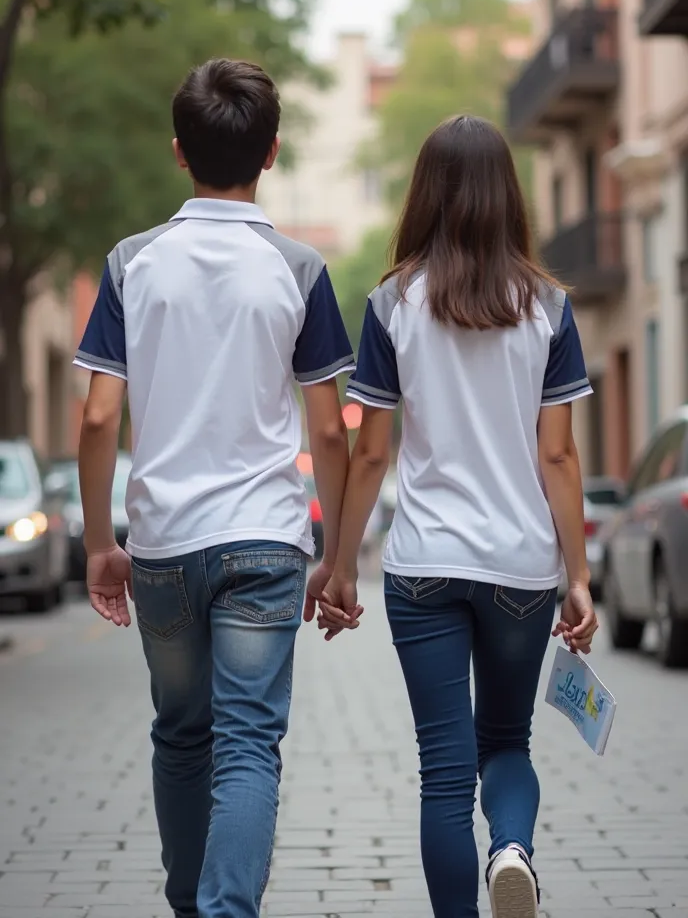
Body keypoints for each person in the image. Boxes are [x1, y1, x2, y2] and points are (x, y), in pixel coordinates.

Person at [74, 58, 359, 918]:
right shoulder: (301, 269)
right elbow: (325, 427)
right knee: (246, 747)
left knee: (180, 736)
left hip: (161, 545)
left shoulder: (131, 265)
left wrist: (98, 544)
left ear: (177, 152)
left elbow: (95, 419)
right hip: (267, 544)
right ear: (271, 153)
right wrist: (338, 557)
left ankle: (189, 906)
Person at [315, 115, 599, 918]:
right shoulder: (547, 306)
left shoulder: (393, 302)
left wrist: (339, 566)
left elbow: (370, 453)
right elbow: (559, 458)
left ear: (425, 195)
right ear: (508, 194)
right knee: (506, 741)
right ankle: (511, 847)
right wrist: (577, 576)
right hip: (519, 566)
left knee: (443, 769)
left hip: (426, 565)